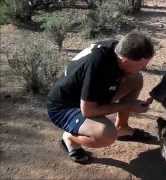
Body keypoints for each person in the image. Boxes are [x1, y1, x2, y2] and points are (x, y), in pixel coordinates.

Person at [47, 30, 155, 163]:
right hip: (65, 107)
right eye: (142, 65)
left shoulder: (118, 50)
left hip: (88, 96)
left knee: (135, 78)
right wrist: (129, 105)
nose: (144, 67)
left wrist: (130, 102)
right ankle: (70, 138)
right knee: (106, 134)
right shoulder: (98, 65)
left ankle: (122, 127)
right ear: (125, 60)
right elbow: (88, 111)